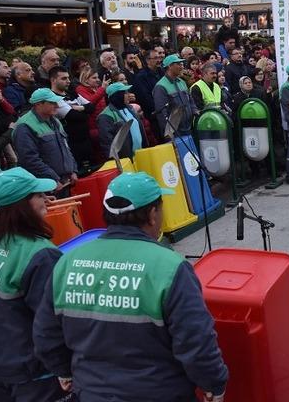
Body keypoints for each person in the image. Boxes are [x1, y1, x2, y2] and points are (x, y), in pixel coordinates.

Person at [33, 172, 229, 401]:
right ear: (152, 214)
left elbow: (45, 334)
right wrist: (213, 384)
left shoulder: (68, 262)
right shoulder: (169, 267)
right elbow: (196, 342)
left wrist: (64, 370)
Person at [0, 167, 70, 402]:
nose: (46, 201)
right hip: (35, 377)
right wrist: (65, 369)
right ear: (22, 206)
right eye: (39, 195)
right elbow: (53, 324)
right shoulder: (38, 255)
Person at [12, 88, 78, 192]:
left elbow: (66, 148)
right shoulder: (24, 126)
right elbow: (30, 160)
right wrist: (53, 179)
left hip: (65, 182)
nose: (57, 105)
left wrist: (73, 170)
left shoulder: (55, 121)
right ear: (38, 104)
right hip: (47, 187)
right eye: (52, 102)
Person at [97, 82, 149, 161]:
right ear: (117, 95)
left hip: (141, 156)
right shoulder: (105, 116)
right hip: (126, 161)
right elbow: (107, 143)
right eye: (125, 93)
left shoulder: (130, 108)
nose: (129, 95)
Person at [153, 54, 196, 139]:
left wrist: (195, 111)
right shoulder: (161, 86)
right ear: (170, 66)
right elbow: (161, 113)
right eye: (178, 64)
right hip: (175, 133)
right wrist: (169, 134)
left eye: (182, 64)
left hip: (188, 128)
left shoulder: (182, 82)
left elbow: (190, 101)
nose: (182, 67)